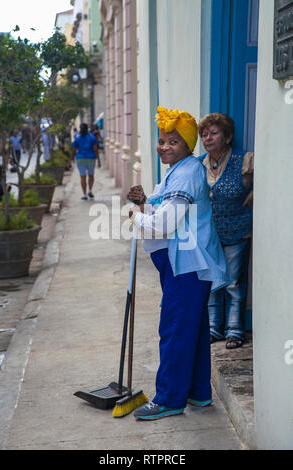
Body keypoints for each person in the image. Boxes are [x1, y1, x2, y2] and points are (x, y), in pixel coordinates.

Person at [127, 106, 231, 420]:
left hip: (186, 267)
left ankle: (170, 399)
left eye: (173, 142)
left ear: (187, 145)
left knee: (173, 329)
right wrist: (145, 204)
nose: (164, 146)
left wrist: (137, 218)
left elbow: (164, 225)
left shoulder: (185, 173)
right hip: (184, 267)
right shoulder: (178, 169)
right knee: (194, 330)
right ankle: (198, 393)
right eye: (161, 141)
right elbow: (162, 211)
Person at [198, 113, 254, 349]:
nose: (208, 138)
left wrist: (258, 191)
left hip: (237, 231)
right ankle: (213, 328)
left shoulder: (245, 159)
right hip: (209, 234)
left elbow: (278, 174)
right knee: (212, 281)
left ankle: (235, 330)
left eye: (214, 133)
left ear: (228, 136)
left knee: (233, 283)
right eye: (204, 134)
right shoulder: (198, 164)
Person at [71, 123, 101, 200]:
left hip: (80, 159)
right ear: (87, 128)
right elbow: (96, 150)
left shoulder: (77, 139)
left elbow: (73, 150)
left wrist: (70, 160)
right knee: (91, 175)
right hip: (91, 158)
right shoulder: (92, 138)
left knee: (82, 176)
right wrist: (99, 160)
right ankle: (90, 190)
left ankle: (84, 194)